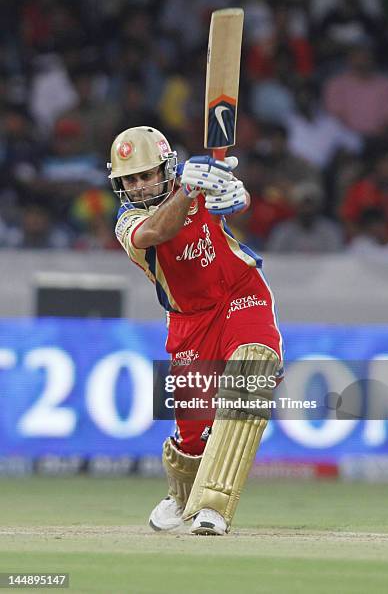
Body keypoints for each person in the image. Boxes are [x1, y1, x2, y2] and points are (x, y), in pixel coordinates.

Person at [108, 126, 283, 536]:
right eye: (128, 179)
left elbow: (238, 200)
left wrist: (235, 195)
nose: (137, 186)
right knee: (194, 436)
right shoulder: (128, 220)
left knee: (250, 378)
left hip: (241, 293)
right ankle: (181, 497)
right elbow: (156, 232)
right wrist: (189, 191)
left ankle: (214, 508)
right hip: (189, 320)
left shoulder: (195, 176)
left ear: (165, 168)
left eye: (145, 174)